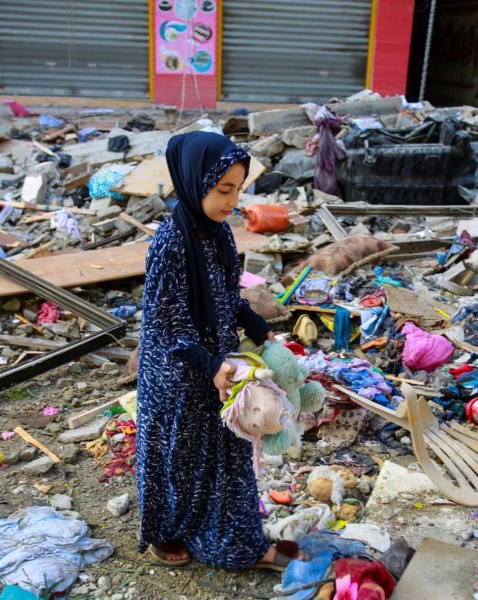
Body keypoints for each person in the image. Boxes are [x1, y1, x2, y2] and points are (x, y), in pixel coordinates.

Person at [135, 132, 304, 571]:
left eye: (238, 189)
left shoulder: (220, 235)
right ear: (194, 183)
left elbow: (226, 294)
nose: (232, 201)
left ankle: (235, 542)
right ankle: (167, 533)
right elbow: (165, 320)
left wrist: (255, 324)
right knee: (179, 458)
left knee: (227, 458)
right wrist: (207, 363)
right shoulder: (170, 243)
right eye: (223, 190)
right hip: (176, 370)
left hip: (218, 365)